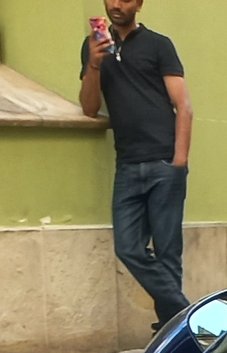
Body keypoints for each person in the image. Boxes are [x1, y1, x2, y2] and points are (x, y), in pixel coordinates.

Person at [79, 0, 193, 333]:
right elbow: (89, 108)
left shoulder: (159, 45)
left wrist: (179, 162)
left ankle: (171, 334)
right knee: (127, 248)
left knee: (168, 253)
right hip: (127, 165)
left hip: (164, 162)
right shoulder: (93, 47)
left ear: (139, 4)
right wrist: (94, 64)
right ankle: (188, 319)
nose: (116, 4)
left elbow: (183, 106)